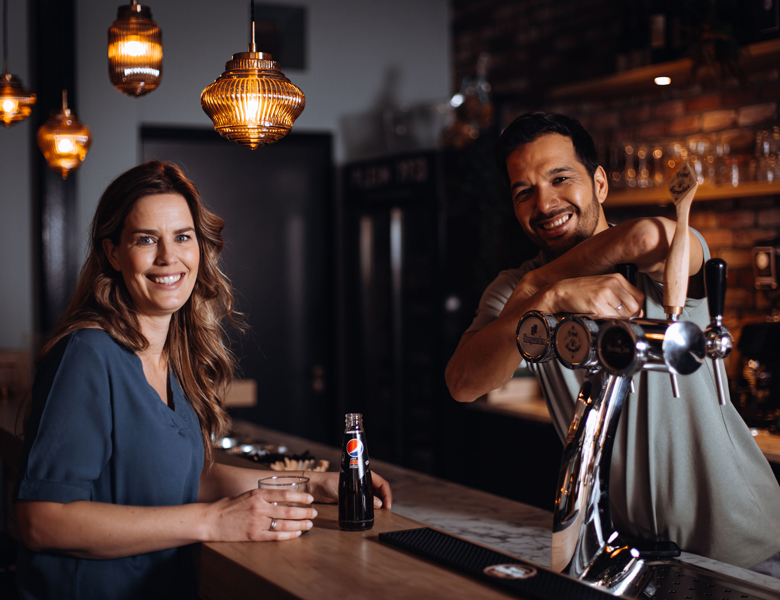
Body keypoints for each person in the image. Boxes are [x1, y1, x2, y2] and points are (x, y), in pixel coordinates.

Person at [13, 161, 393, 600]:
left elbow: (179, 478)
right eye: (145, 239)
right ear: (113, 254)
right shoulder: (88, 355)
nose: (167, 258)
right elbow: (41, 520)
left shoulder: (172, 358)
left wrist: (310, 484)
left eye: (182, 237)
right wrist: (213, 520)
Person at [445, 113, 780, 575]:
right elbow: (463, 382)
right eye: (524, 192)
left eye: (560, 178)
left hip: (744, 542)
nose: (544, 203)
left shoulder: (667, 256)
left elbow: (645, 236)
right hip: (630, 549)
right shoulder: (514, 292)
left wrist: (542, 284)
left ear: (600, 184)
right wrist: (550, 298)